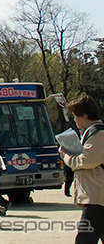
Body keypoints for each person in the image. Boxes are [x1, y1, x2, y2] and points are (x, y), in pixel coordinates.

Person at [60, 93, 104, 244]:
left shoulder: (98, 134)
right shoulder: (93, 133)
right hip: (96, 197)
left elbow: (86, 160)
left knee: (84, 240)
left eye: (75, 116)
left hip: (97, 199)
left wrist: (66, 156)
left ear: (84, 115)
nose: (74, 120)